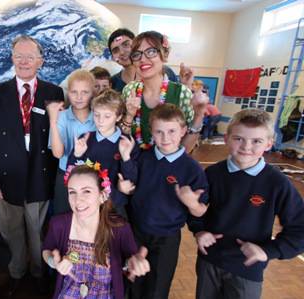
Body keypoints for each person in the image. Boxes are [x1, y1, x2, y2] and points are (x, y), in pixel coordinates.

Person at [0, 35, 64, 297]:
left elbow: (58, 135)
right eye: (19, 56)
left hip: (41, 175)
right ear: (12, 59)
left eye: (30, 56)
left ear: (40, 61)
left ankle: (38, 275)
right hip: (5, 179)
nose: (24, 61)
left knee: (39, 232)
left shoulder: (54, 92)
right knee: (11, 232)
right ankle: (17, 273)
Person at [192, 109, 304, 299]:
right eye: (239, 138)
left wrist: (268, 251)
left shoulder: (277, 183)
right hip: (209, 260)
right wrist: (198, 230)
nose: (246, 146)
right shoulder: (213, 174)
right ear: (226, 138)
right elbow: (195, 208)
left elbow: (300, 228)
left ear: (269, 144)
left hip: (248, 268)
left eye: (256, 141)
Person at [119, 103, 209, 299]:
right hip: (136, 232)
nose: (165, 137)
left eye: (171, 131)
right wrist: (123, 186)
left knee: (157, 289)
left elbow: (200, 212)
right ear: (151, 131)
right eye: (159, 132)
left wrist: (192, 203)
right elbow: (129, 183)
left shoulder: (192, 169)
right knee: (129, 282)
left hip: (166, 239)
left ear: (183, 131)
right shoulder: (143, 158)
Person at [42, 164, 150, 299]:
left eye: (86, 191)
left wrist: (132, 264)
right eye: (72, 192)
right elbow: (46, 250)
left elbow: (129, 261)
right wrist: (54, 262)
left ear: (102, 196)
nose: (77, 199)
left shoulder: (119, 228)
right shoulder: (58, 224)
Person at [120, 31, 207, 152]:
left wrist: (199, 114)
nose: (143, 59)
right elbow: (122, 137)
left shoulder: (182, 93)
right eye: (136, 54)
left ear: (164, 55)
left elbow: (186, 149)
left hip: (169, 167)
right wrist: (129, 116)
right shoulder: (129, 90)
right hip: (133, 166)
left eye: (151, 52)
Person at [67, 89, 128, 216]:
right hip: (88, 205)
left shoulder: (126, 142)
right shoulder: (85, 139)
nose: (100, 120)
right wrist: (77, 154)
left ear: (119, 116)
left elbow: (132, 178)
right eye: (96, 115)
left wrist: (126, 157)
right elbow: (71, 172)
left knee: (116, 234)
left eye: (107, 116)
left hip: (115, 204)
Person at [47, 69, 96, 215]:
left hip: (93, 174)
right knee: (63, 215)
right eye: (74, 92)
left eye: (85, 92)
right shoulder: (61, 117)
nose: (79, 97)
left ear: (92, 93)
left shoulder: (98, 116)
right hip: (65, 174)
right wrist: (53, 121)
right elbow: (57, 153)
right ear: (68, 93)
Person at [107, 28, 178, 93]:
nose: (122, 52)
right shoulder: (113, 82)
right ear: (113, 58)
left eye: (126, 45)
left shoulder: (165, 72)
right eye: (115, 50)